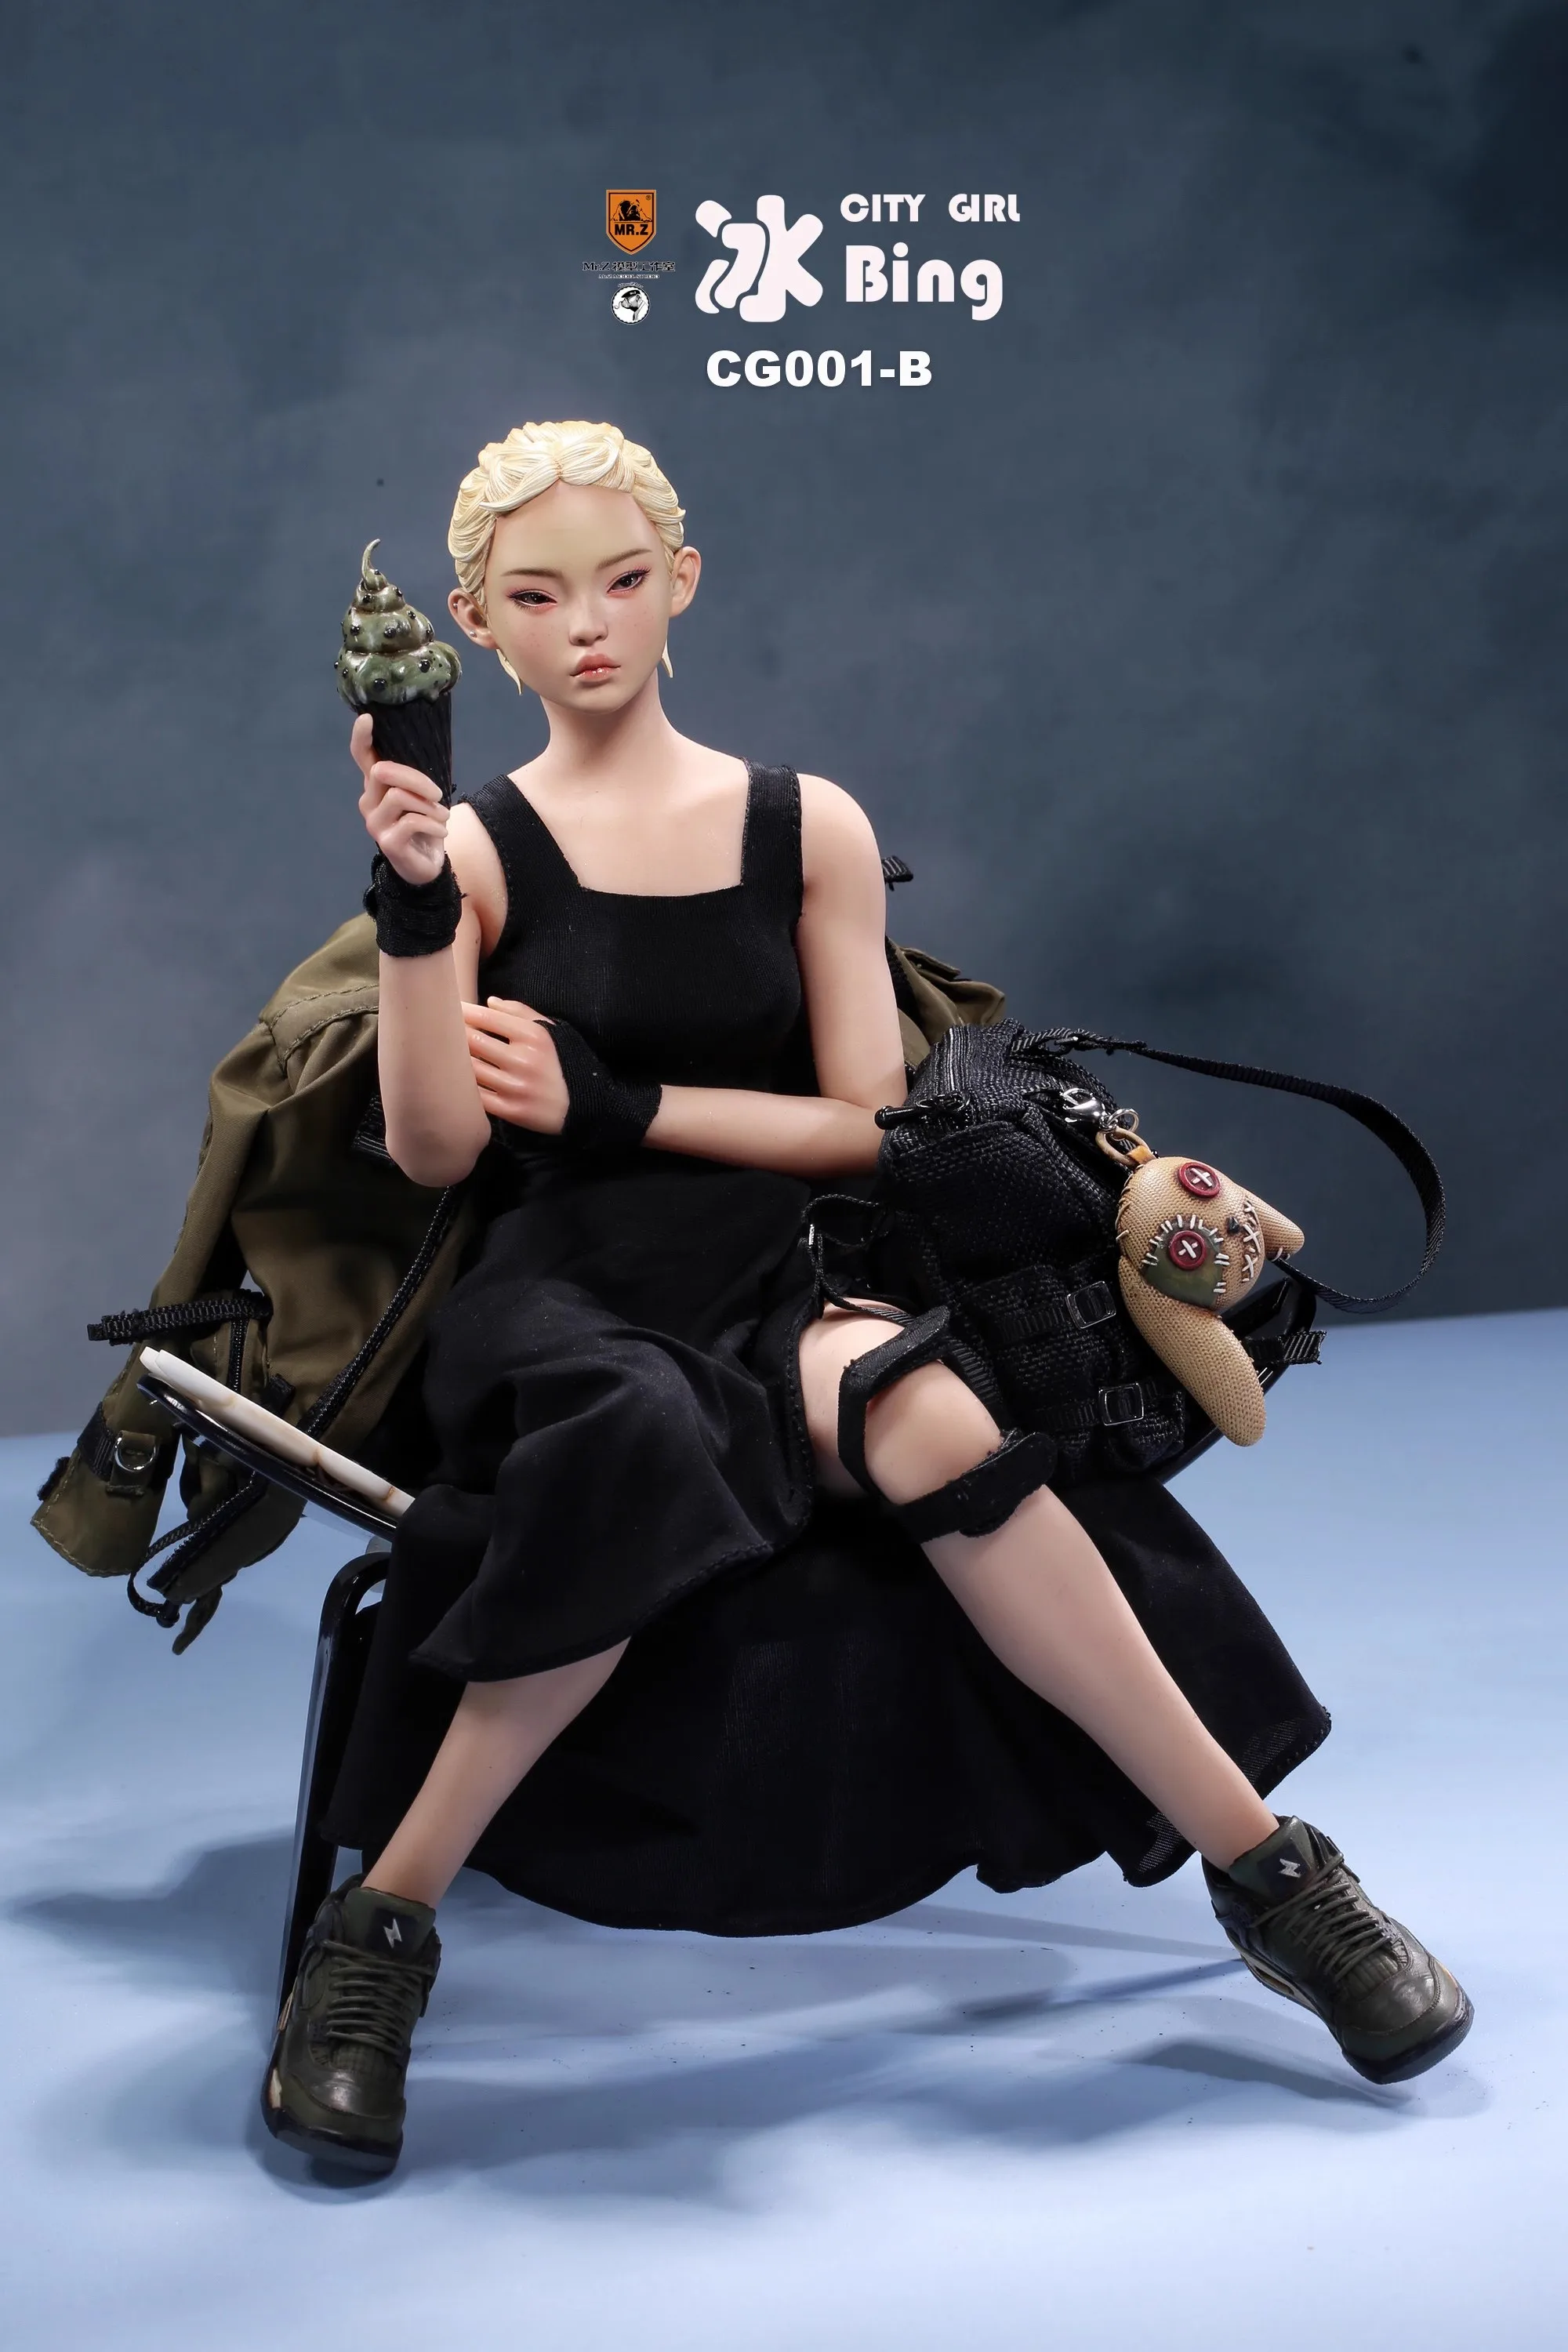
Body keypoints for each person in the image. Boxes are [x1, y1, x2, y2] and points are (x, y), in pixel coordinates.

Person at [263, 421, 1471, 2174]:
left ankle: (1274, 1876)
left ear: (681, 582)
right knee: (633, 1435)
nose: (586, 624)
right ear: (475, 623)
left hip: (788, 1255)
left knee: (933, 1417)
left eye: (621, 580)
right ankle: (380, 1930)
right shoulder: (485, 845)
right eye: (535, 597)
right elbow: (440, 1146)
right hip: (568, 1290)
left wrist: (622, 1103)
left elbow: (864, 1127)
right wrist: (411, 903)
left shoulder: (801, 825)